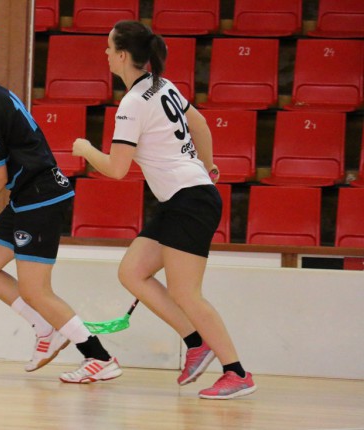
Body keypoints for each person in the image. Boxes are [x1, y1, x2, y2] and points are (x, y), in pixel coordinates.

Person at [72, 21, 257, 399]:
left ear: (122, 55)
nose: (105, 54)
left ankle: (237, 372)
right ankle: (196, 342)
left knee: (187, 293)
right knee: (132, 272)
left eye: (109, 48)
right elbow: (200, 124)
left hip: (189, 201)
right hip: (184, 198)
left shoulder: (132, 103)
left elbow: (117, 169)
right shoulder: (162, 84)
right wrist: (207, 165)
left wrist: (86, 150)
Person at [0, 41, 122, 384]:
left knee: (36, 290)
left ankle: (99, 357)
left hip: (41, 198)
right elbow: (10, 151)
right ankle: (45, 328)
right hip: (26, 196)